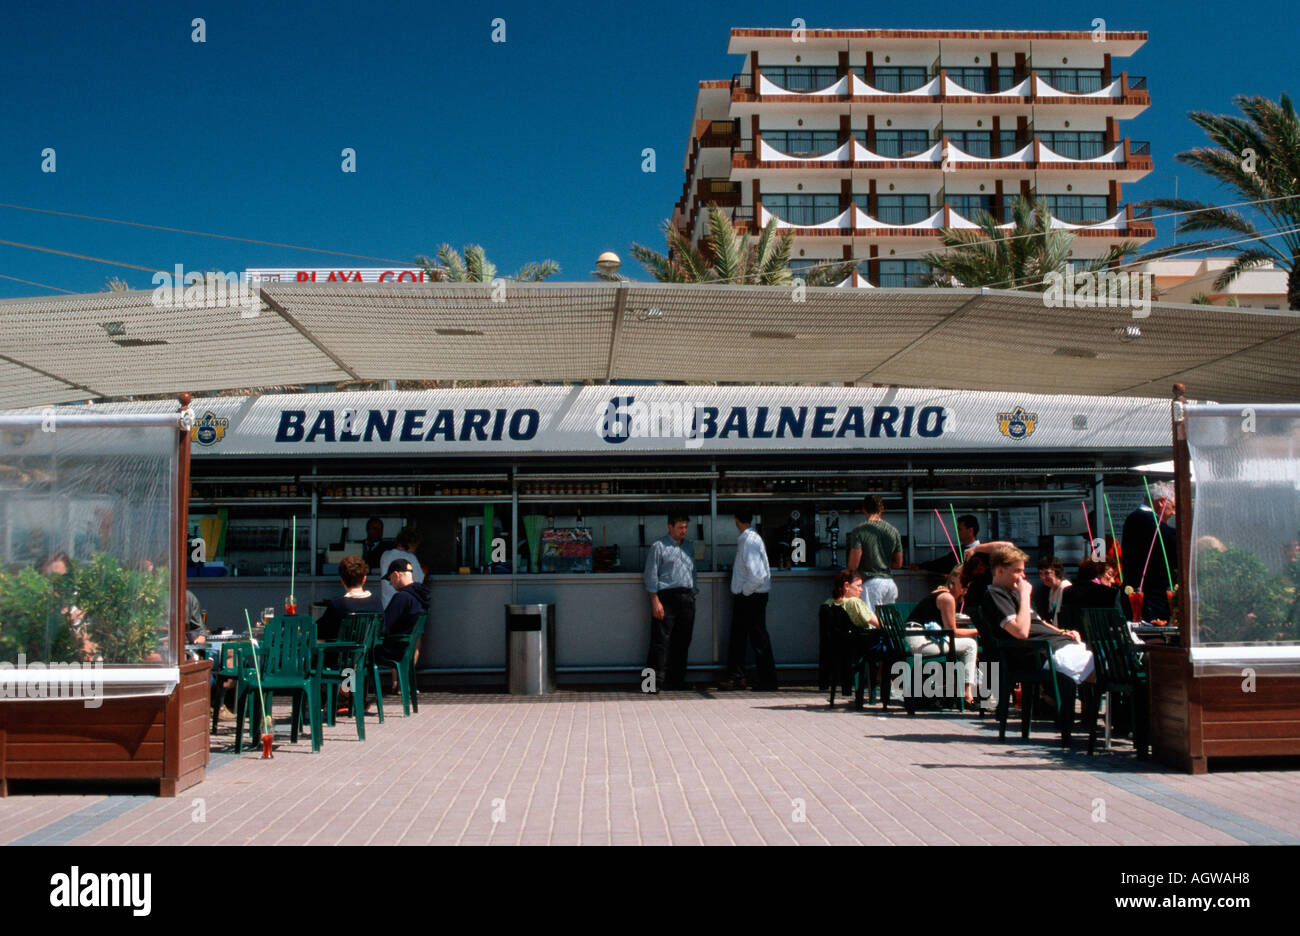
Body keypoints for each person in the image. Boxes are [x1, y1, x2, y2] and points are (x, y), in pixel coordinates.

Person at [981, 546, 1094, 689]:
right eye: (1018, 571)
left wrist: (1062, 632)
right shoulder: (996, 594)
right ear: (999, 570)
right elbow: (1020, 632)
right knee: (1106, 668)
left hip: (1058, 645)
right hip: (1042, 651)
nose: (1023, 576)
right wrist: (1025, 595)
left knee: (1109, 662)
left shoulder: (1014, 592)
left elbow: (1040, 622)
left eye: (1023, 571)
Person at [905, 566, 980, 705]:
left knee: (963, 645)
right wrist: (978, 631)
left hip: (916, 637)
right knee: (970, 645)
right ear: (953, 577)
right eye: (963, 583)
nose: (965, 588)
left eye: (968, 585)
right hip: (920, 642)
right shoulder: (947, 597)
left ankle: (956, 689)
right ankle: (966, 693)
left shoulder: (939, 593)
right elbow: (953, 632)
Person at [722, 509, 775, 691]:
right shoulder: (752, 538)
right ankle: (745, 677)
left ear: (735, 519)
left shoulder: (748, 541)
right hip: (754, 595)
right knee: (749, 637)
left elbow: (757, 574)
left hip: (751, 596)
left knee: (752, 638)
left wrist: (744, 591)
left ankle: (760, 679)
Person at [643, 513, 697, 691]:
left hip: (686, 596)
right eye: (680, 527)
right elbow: (651, 574)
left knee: (682, 641)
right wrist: (654, 600)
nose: (684, 531)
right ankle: (650, 683)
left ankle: (677, 681)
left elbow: (692, 571)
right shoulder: (659, 547)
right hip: (666, 596)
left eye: (686, 527)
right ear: (670, 526)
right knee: (659, 641)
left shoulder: (689, 547)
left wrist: (693, 593)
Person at [1121, 482, 1178, 621]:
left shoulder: (1139, 518)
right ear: (1162, 502)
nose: (1174, 513)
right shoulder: (1144, 519)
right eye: (1174, 507)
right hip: (1148, 602)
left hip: (1147, 598)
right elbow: (1174, 541)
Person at [846, 494, 903, 611]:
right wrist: (882, 563)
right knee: (888, 624)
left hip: (871, 585)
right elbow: (898, 563)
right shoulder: (894, 531)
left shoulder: (859, 531)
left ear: (863, 509)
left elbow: (853, 565)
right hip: (890, 584)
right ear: (882, 509)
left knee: (870, 624)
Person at [317, 554, 384, 641]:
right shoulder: (376, 602)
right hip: (370, 653)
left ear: (342, 581)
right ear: (364, 579)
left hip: (341, 653)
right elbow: (382, 630)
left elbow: (321, 632)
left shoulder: (338, 605)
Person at [912, 514, 981, 573]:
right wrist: (921, 566)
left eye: (960, 529)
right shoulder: (959, 551)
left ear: (970, 531)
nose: (957, 532)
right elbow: (942, 563)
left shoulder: (983, 552)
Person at [379, 527, 425, 608]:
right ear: (411, 544)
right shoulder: (410, 557)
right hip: (405, 606)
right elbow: (419, 580)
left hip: (386, 604)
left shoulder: (385, 555)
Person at [1037, 556, 1072, 625]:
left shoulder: (1065, 588)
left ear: (1057, 571)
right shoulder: (1050, 590)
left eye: (1047, 573)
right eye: (1040, 573)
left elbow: (1059, 618)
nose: (1043, 577)